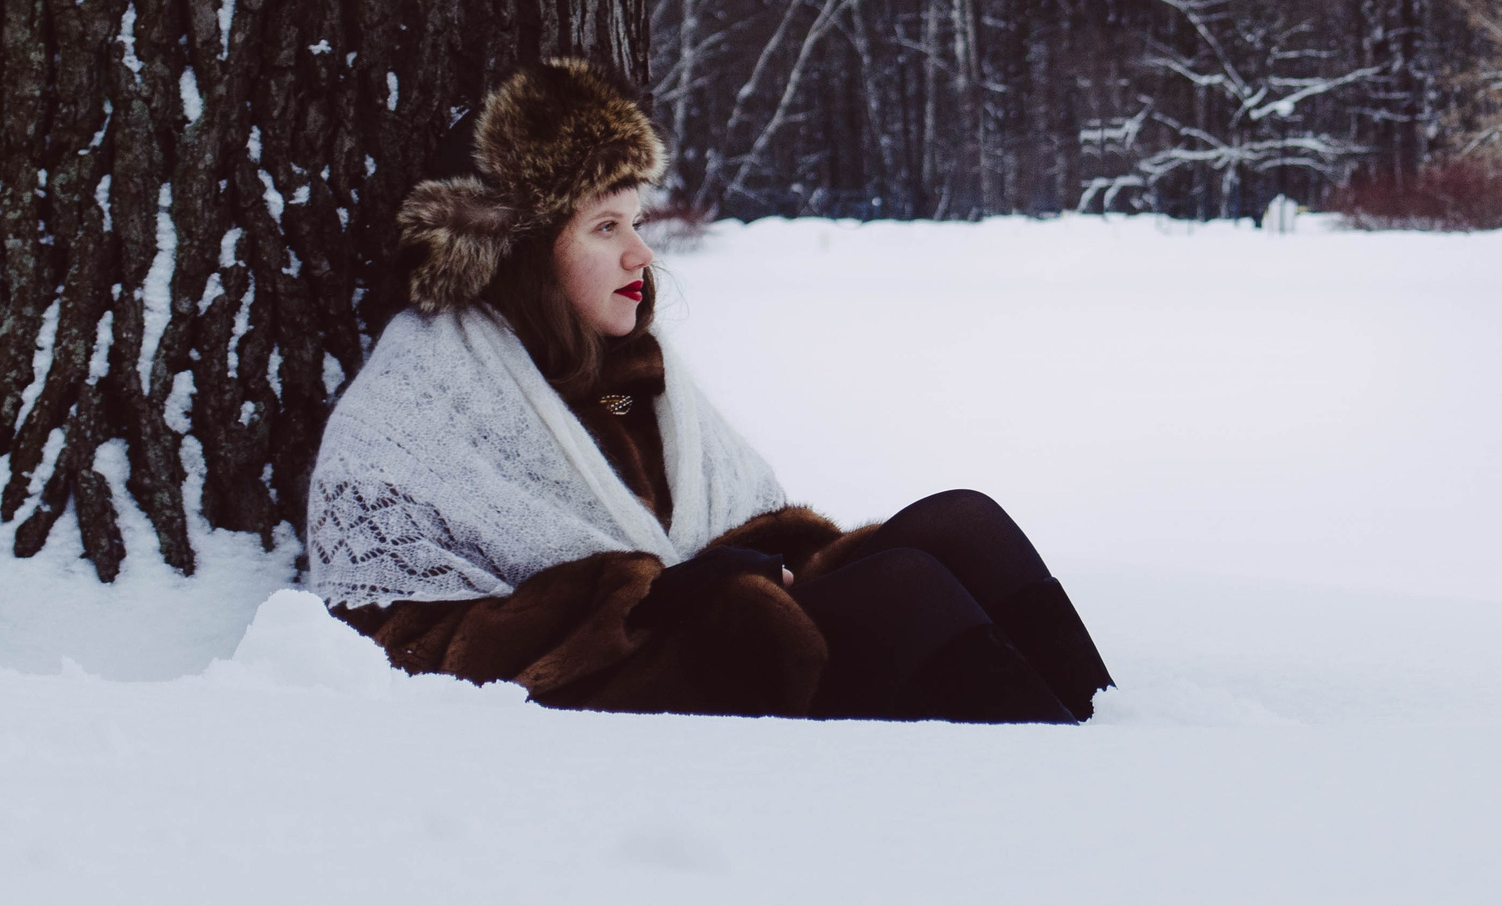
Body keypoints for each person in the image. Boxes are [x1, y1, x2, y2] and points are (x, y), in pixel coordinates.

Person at [303, 57, 1112, 722]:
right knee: (904, 593)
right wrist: (656, 596)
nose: (640, 256)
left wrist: (755, 563)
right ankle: (1043, 809)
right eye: (604, 227)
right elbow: (397, 637)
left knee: (962, 522)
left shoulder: (621, 382)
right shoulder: (421, 396)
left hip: (706, 623)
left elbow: (708, 522)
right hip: (618, 678)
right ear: (518, 247)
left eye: (638, 224)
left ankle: (1103, 741)